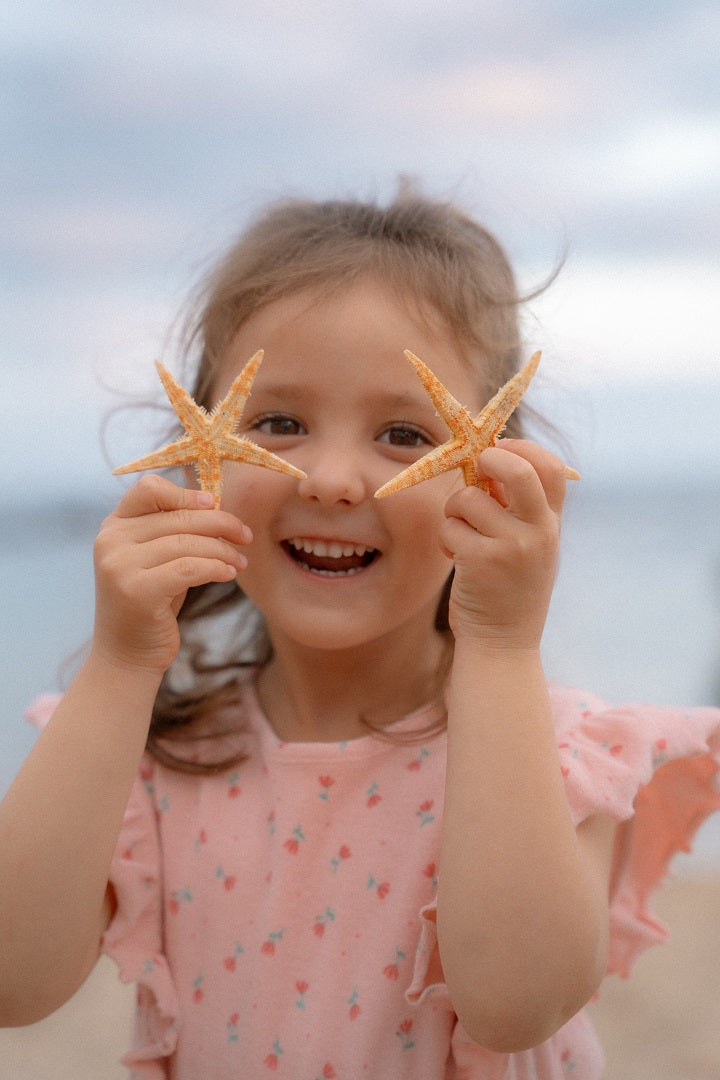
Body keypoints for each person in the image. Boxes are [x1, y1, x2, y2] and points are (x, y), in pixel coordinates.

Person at [2, 191, 719, 1080]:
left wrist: (501, 648)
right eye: (278, 424)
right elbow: (13, 982)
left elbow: (516, 1003)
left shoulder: (557, 755)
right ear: (197, 458)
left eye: (405, 433)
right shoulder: (154, 754)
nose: (333, 478)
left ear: (491, 480)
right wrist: (119, 663)